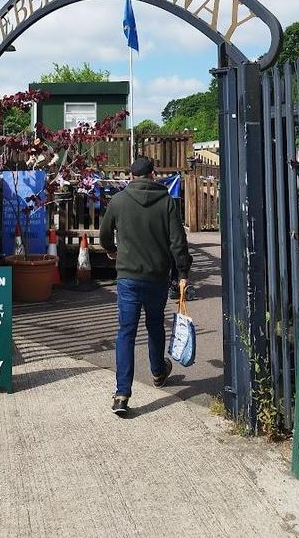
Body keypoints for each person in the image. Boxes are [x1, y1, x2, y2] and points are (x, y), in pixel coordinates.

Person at [99, 156, 192, 416]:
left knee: (126, 332)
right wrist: (183, 271)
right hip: (157, 278)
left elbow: (105, 234)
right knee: (154, 325)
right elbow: (178, 241)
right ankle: (158, 372)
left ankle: (121, 394)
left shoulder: (118, 201)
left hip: (128, 278)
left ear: (131, 176)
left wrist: (111, 251)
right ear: (153, 174)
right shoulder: (167, 202)